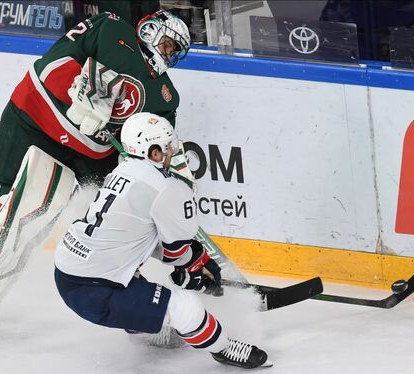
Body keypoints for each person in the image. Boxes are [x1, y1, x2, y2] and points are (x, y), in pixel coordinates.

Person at [0, 9, 191, 331]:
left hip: (93, 156)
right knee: (23, 210)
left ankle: (136, 308)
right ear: (151, 30)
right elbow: (51, 65)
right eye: (170, 44)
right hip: (36, 125)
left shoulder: (165, 96)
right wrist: (76, 90)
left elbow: (156, 149)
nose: (169, 54)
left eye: (176, 52)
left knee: (120, 223)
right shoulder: (109, 28)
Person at [54, 112, 272, 369]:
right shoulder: (167, 187)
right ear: (154, 152)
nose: (172, 152)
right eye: (168, 147)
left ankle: (142, 326)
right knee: (185, 307)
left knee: (130, 272)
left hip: (66, 274)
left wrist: (192, 264)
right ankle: (224, 348)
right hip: (96, 291)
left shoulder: (121, 170)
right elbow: (175, 252)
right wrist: (195, 264)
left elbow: (144, 240)